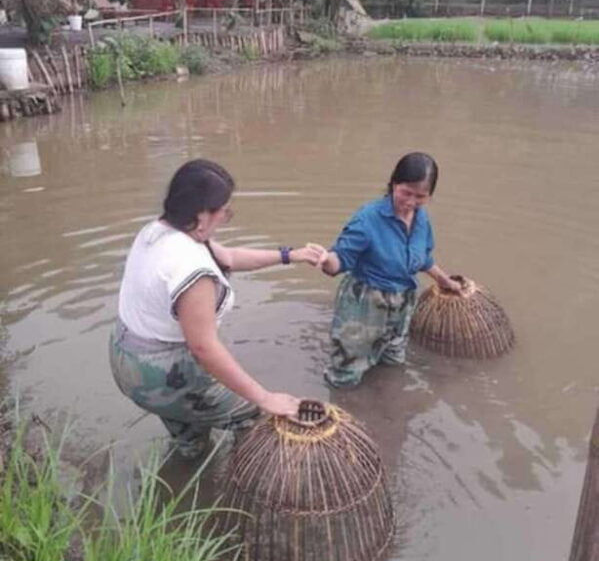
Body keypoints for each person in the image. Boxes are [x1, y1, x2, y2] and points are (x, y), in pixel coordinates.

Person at [110, 158, 327, 459]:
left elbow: (230, 258)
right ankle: (247, 483)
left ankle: (187, 466)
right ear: (202, 216)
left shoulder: (158, 231)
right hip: (159, 374)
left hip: (126, 359)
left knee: (190, 430)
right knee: (261, 418)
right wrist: (265, 399)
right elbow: (203, 347)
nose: (227, 216)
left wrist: (291, 255)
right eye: (224, 210)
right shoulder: (190, 268)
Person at [320, 152, 462, 389]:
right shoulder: (368, 218)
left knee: (393, 361)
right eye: (406, 192)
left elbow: (422, 258)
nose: (411, 202)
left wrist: (444, 280)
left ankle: (389, 407)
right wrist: (325, 259)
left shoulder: (421, 219)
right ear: (394, 184)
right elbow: (340, 259)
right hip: (364, 305)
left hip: (402, 302)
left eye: (421, 196)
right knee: (345, 370)